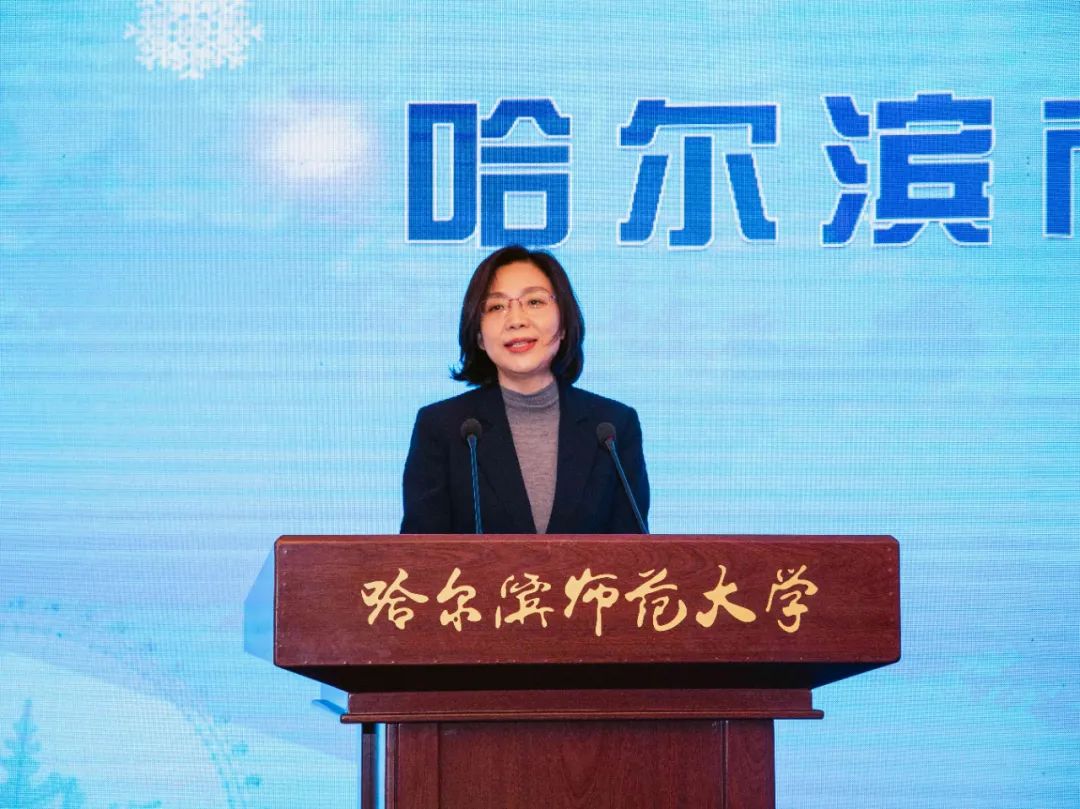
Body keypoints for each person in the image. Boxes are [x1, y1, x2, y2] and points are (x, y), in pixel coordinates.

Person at [401, 245, 649, 534]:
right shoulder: (443, 427)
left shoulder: (613, 428)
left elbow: (633, 554)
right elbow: (420, 555)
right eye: (496, 307)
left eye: (534, 302)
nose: (516, 320)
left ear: (564, 324)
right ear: (479, 336)